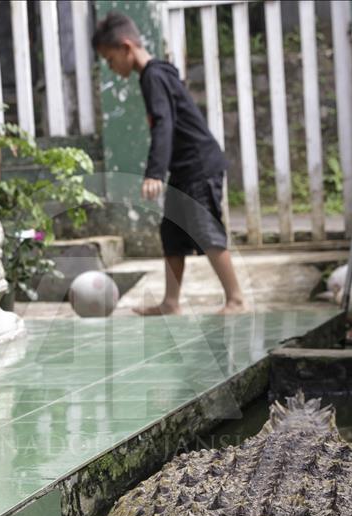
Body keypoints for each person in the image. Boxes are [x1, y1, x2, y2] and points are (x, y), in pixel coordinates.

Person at [92, 11, 247, 315]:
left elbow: (164, 123)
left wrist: (154, 173)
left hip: (198, 164)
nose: (111, 67)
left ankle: (236, 299)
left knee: (205, 229)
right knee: (172, 232)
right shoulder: (157, 73)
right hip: (185, 165)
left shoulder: (153, 76)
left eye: (110, 60)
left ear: (126, 47)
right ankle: (171, 303)